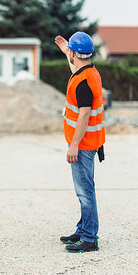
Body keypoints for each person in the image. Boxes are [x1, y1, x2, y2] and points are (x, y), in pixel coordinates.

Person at [55, 32, 105, 253]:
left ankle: (89, 238)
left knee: (85, 191)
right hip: (92, 141)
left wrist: (74, 144)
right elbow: (76, 65)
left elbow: (84, 115)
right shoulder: (90, 71)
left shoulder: (82, 81)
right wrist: (68, 50)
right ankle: (83, 228)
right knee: (86, 189)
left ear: (76, 54)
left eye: (71, 53)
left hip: (83, 145)